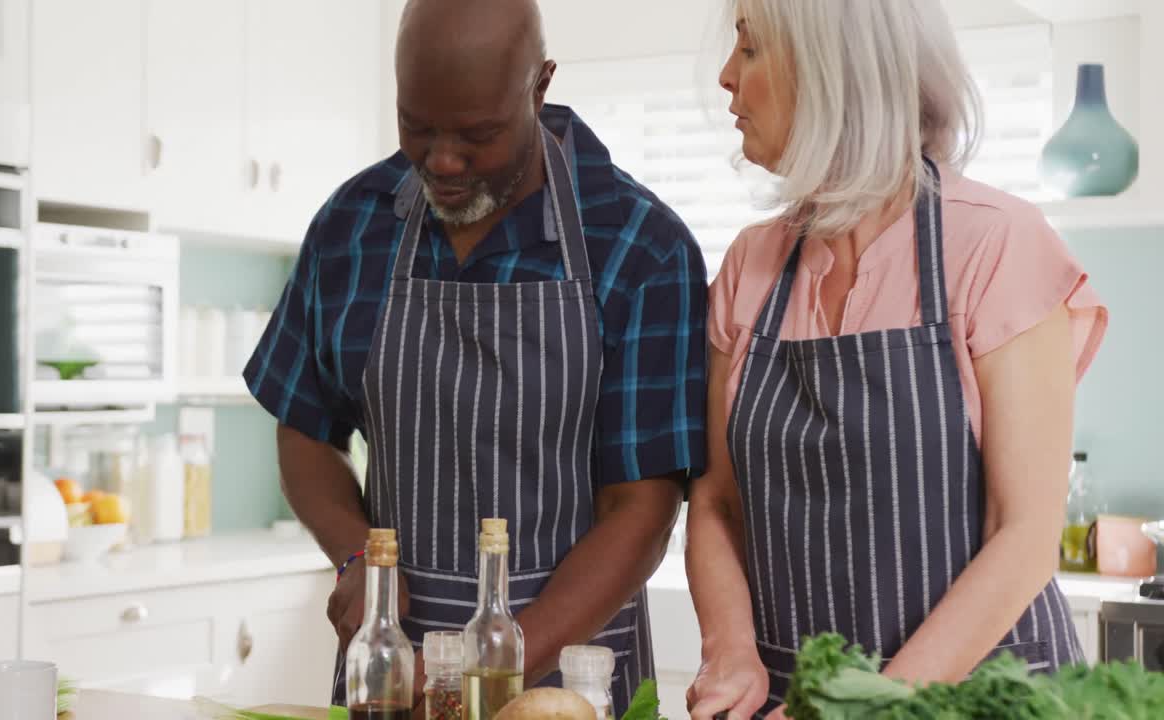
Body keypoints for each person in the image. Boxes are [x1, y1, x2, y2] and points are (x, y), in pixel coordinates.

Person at [244, 0, 709, 714]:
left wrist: (495, 665)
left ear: (540, 86)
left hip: (569, 682)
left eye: (478, 134)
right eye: (417, 128)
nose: (444, 161)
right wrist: (357, 560)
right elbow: (304, 427)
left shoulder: (640, 247)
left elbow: (642, 510)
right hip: (391, 680)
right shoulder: (351, 226)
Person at [685, 1, 1109, 718]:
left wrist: (865, 706)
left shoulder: (997, 246)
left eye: (751, 50)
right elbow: (717, 503)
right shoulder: (750, 266)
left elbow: (1026, 534)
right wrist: (731, 649)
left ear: (835, 72)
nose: (728, 77)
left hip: (979, 698)